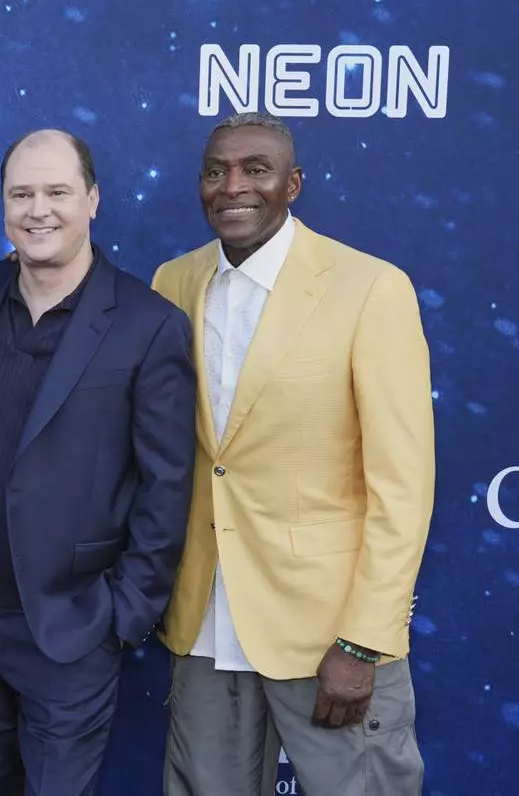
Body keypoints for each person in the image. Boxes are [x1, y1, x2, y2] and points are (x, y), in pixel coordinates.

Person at [153, 112, 435, 795]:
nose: (233, 186)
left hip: (326, 630)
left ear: (293, 185)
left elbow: (402, 485)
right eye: (217, 171)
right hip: (207, 618)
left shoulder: (369, 288)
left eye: (257, 169)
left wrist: (363, 639)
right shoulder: (173, 283)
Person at [0, 128, 197, 796]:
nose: (38, 209)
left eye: (57, 191)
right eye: (21, 193)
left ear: (93, 200)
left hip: (71, 623)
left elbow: (167, 486)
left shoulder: (147, 324)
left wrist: (122, 614)